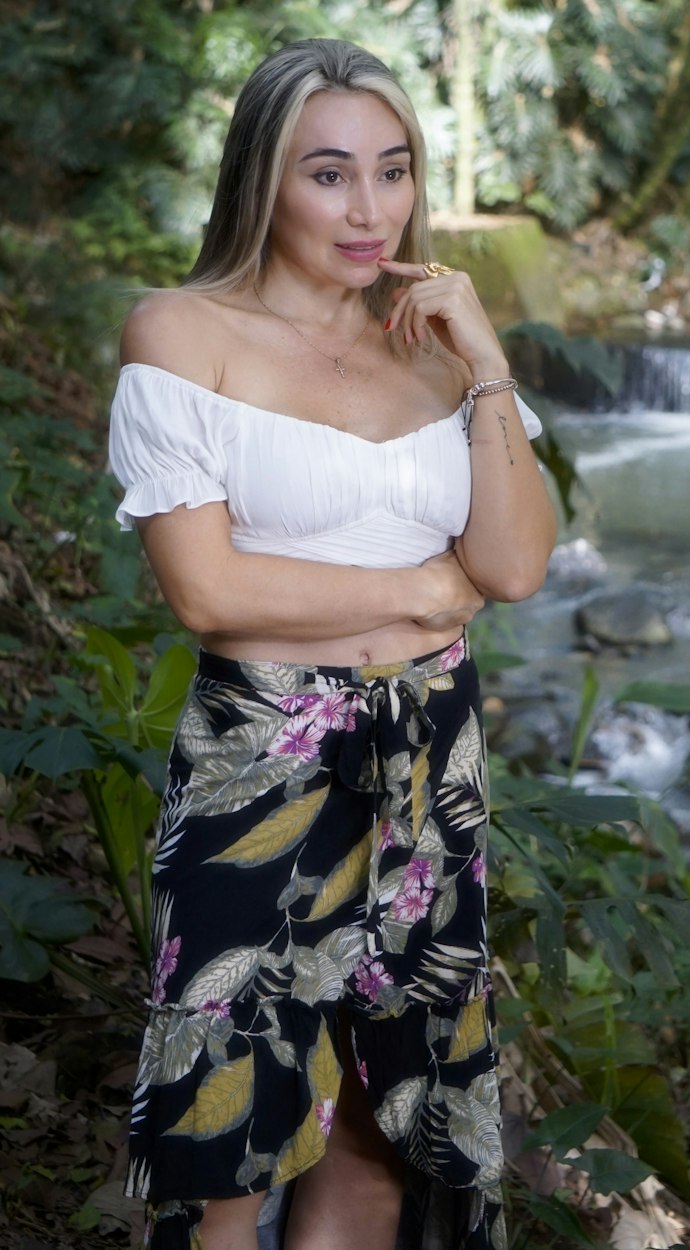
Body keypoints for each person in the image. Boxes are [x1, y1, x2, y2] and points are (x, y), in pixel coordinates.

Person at [107, 37, 556, 1250]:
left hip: (429, 764)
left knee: (381, 1119)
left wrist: (488, 366)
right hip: (258, 762)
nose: (372, 209)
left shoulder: (432, 348)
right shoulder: (183, 334)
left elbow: (512, 567)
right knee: (235, 1125)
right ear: (263, 178)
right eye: (329, 174)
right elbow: (206, 591)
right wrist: (415, 590)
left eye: (394, 170)